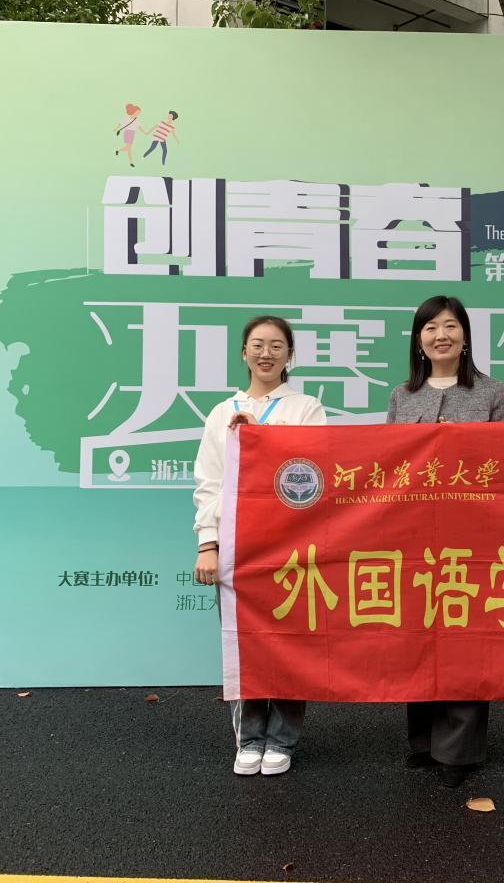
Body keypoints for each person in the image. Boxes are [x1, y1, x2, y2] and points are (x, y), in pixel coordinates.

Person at [385, 295, 504, 787]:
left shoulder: (491, 392)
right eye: (430, 328)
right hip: (415, 537)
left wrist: (460, 445)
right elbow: (389, 465)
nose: (441, 335)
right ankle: (423, 742)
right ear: (418, 340)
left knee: (464, 639)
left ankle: (459, 752)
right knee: (417, 637)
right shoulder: (402, 396)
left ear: (465, 336)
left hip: (474, 536)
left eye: (450, 326)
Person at [192, 315, 326, 777]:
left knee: (291, 645)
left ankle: (282, 740)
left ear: (290, 354)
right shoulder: (221, 412)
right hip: (236, 546)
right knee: (243, 642)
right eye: (257, 344)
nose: (266, 353)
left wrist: (259, 438)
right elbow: (209, 483)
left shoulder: (307, 408)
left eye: (276, 345)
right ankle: (249, 737)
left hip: (292, 546)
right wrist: (207, 543)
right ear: (243, 353)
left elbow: (310, 474)